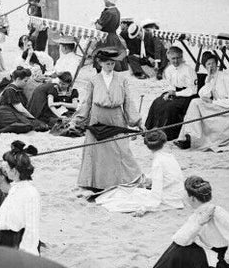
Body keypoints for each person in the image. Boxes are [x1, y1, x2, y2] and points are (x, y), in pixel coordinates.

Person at [115, 176, 229, 268]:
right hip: (215, 258)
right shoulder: (200, 213)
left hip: (226, 266)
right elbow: (181, 239)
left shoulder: (217, 212)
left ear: (192, 198)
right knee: (179, 250)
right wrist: (199, 222)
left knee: (180, 252)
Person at [75, 46, 142, 191]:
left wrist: (137, 121)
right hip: (98, 117)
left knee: (120, 148)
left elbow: (128, 101)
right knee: (97, 151)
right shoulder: (93, 80)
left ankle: (126, 179)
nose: (110, 66)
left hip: (116, 116)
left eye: (112, 63)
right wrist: (79, 119)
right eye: (107, 63)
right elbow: (87, 101)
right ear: (100, 63)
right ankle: (95, 183)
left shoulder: (122, 79)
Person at [96, 130, 186, 214]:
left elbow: (156, 194)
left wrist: (144, 209)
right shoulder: (169, 156)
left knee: (129, 195)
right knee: (134, 191)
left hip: (169, 198)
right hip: (177, 194)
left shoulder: (157, 162)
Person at [176, 50, 229, 151]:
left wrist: (213, 102)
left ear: (217, 64)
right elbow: (202, 94)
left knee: (195, 103)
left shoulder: (225, 77)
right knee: (196, 102)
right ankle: (189, 137)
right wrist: (209, 81)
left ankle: (192, 137)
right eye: (208, 64)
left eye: (213, 63)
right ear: (205, 66)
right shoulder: (211, 77)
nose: (211, 66)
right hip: (220, 106)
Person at [144, 45, 197, 141]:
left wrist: (176, 94)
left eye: (178, 58)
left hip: (187, 95)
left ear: (182, 57)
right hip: (174, 92)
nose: (176, 61)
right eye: (173, 59)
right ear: (169, 58)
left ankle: (167, 134)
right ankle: (151, 130)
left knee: (170, 107)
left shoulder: (188, 70)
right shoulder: (169, 70)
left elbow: (193, 90)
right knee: (157, 103)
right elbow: (170, 85)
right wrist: (169, 94)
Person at [0, 66, 45, 134]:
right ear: (18, 79)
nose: (26, 83)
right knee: (28, 125)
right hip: (5, 114)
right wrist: (33, 118)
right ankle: (0, 131)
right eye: (25, 81)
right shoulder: (10, 90)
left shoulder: (18, 88)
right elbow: (20, 109)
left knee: (40, 126)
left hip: (14, 113)